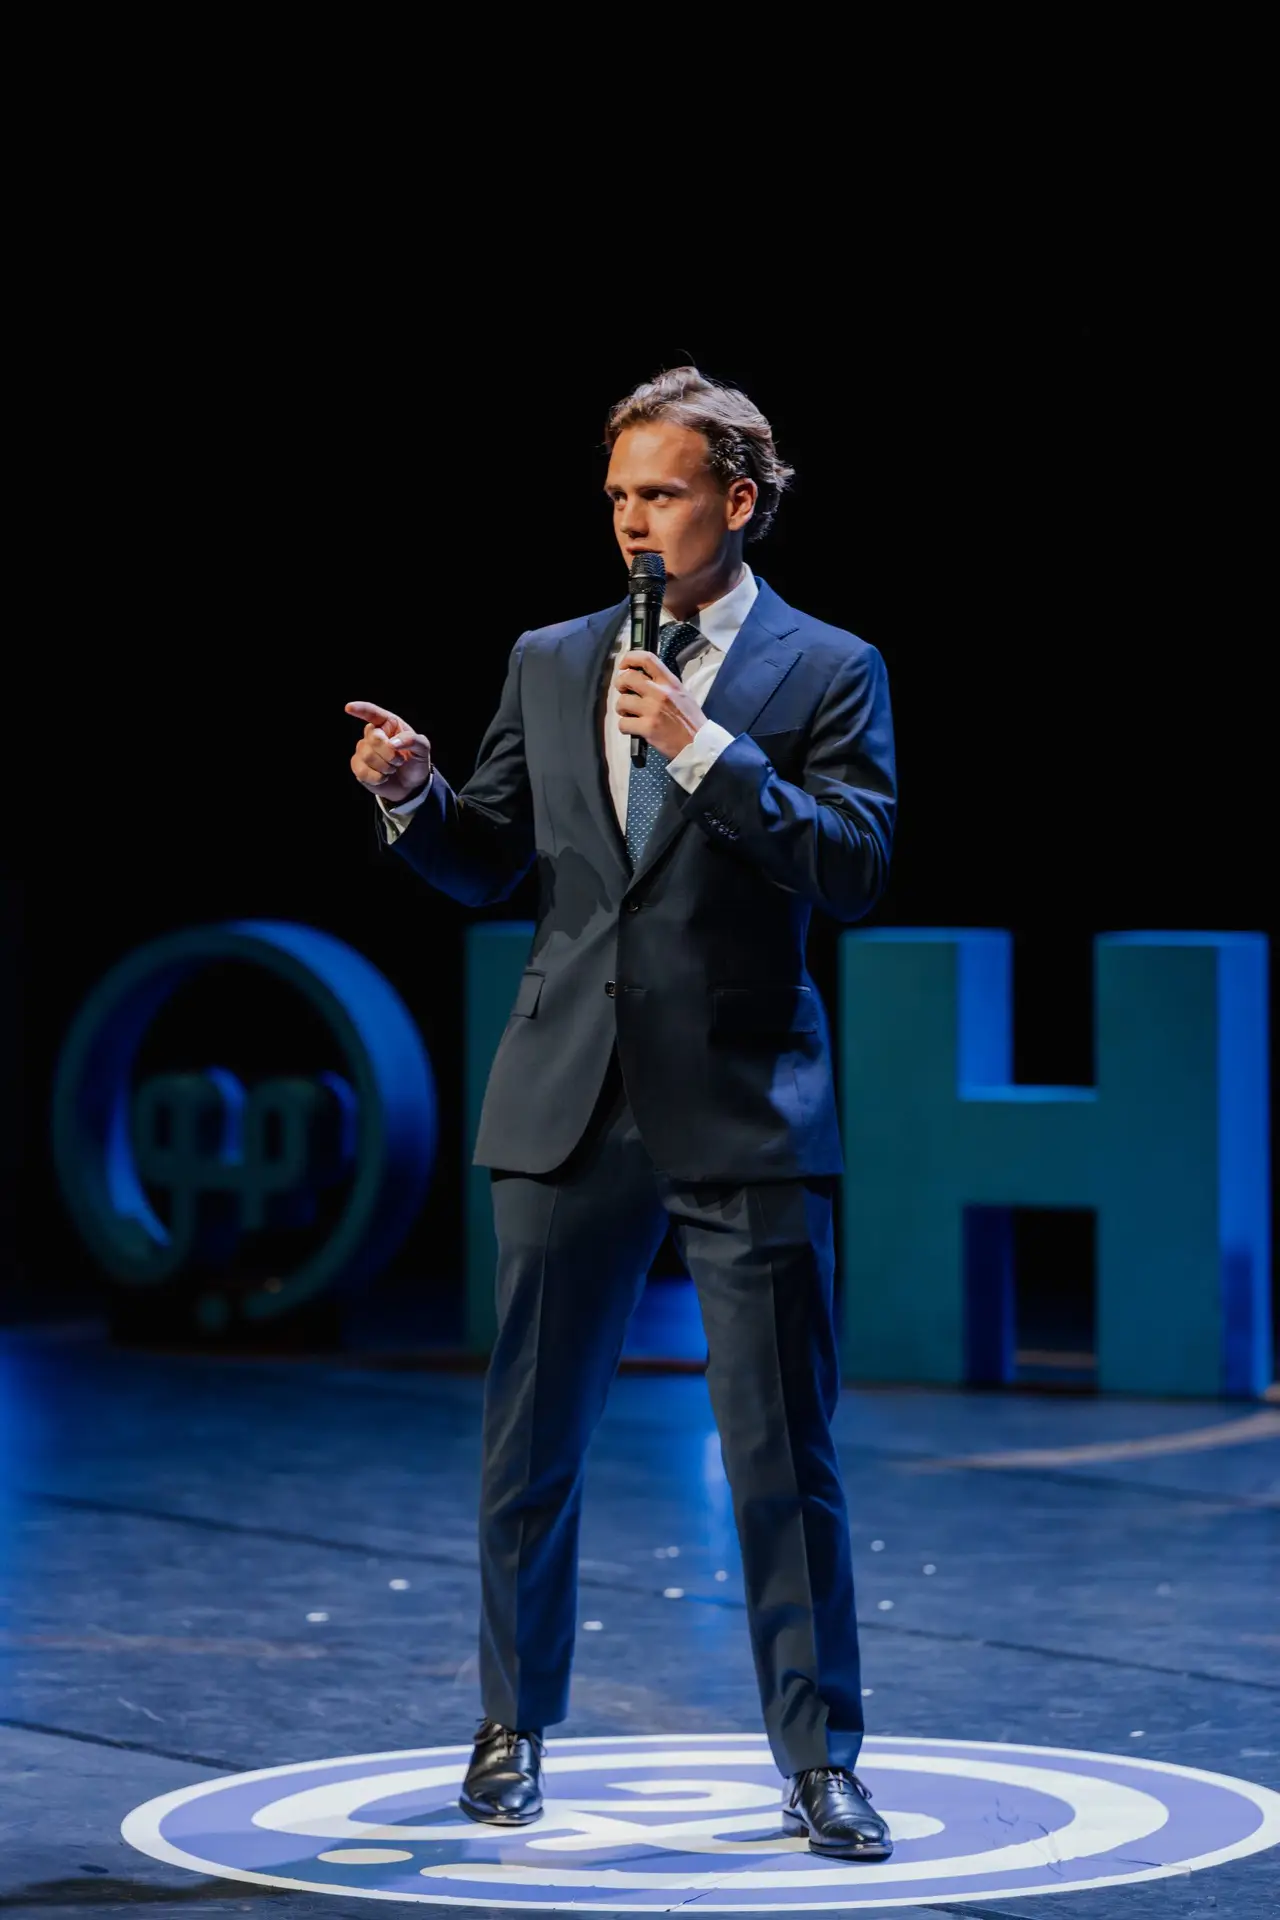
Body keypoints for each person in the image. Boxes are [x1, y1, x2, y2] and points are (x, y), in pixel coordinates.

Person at [345, 366, 897, 1861]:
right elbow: (494, 858)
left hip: (744, 1099)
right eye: (615, 498)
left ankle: (820, 1759)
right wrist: (416, 798)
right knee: (529, 1443)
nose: (632, 523)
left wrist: (705, 751)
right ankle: (511, 1727)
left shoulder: (830, 666)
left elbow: (855, 865)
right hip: (568, 1097)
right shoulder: (552, 657)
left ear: (738, 500)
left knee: (781, 1452)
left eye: (660, 493)